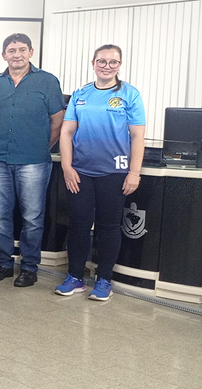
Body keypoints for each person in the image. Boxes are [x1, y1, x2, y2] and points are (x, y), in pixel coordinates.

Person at [56, 45, 144, 301]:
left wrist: (134, 173)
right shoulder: (80, 94)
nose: (107, 66)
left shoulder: (130, 94)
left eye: (113, 62)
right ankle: (75, 277)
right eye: (102, 61)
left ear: (120, 64)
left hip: (114, 173)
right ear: (93, 63)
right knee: (79, 225)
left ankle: (104, 279)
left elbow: (138, 136)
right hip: (81, 172)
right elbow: (66, 132)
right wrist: (67, 167)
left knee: (108, 227)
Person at [0, 33, 65, 288]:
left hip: (33, 161)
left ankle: (29, 267)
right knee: (0, 216)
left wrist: (40, 146)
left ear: (31, 52)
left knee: (32, 217)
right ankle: (4, 263)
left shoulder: (47, 81)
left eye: (21, 49)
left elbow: (58, 121)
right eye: (11, 50)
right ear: (3, 55)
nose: (16, 54)